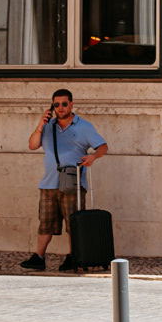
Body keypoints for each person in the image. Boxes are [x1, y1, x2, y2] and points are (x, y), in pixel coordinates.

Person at [20, 89, 107, 270]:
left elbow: (103, 146)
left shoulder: (84, 126)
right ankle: (39, 257)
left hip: (72, 185)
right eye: (56, 105)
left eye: (64, 104)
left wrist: (92, 157)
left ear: (71, 105)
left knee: (73, 223)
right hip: (49, 183)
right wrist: (39, 126)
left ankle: (72, 256)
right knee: (45, 222)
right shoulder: (47, 126)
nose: (60, 108)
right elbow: (32, 145)